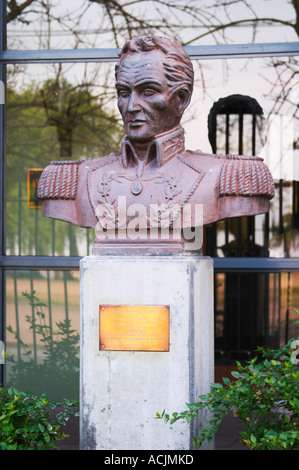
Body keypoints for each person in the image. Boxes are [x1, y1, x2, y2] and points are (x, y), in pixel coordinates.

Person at [37, 36, 274, 254]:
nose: (131, 106)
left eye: (147, 91)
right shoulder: (74, 178)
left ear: (180, 99)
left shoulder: (229, 175)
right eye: (123, 92)